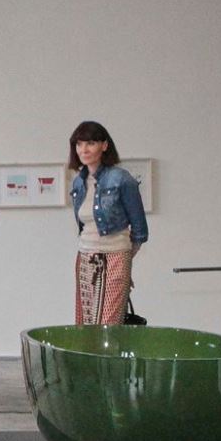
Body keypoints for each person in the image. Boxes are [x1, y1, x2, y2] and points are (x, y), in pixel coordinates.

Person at [66, 119, 149, 326]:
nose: (83, 150)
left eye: (90, 143)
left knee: (109, 324)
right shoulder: (78, 182)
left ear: (104, 145)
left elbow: (139, 229)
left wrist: (125, 261)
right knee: (86, 323)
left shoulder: (121, 179)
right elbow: (84, 225)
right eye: (79, 144)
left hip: (116, 255)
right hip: (85, 256)